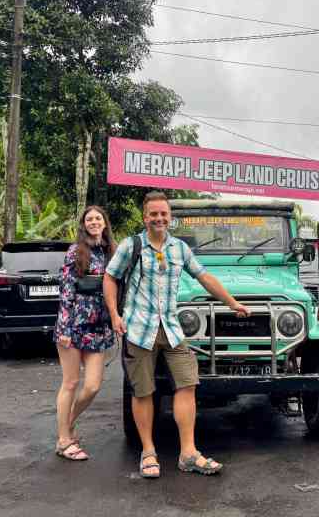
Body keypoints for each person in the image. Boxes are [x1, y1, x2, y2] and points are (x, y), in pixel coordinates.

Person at [104, 191, 250, 478]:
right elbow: (110, 277)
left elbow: (203, 276)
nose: (159, 218)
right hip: (138, 329)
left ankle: (188, 453)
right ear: (145, 217)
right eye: (153, 214)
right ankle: (148, 452)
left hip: (171, 329)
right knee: (143, 391)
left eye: (164, 214)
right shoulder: (131, 245)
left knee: (188, 383)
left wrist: (232, 303)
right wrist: (114, 315)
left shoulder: (179, 248)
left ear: (170, 217)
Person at [53, 205, 117, 461]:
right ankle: (64, 440)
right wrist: (66, 327)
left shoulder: (112, 251)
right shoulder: (75, 251)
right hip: (73, 325)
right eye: (89, 219)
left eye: (97, 218)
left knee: (92, 386)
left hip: (99, 327)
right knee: (70, 383)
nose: (93, 222)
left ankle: (66, 423)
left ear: (104, 223)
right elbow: (67, 290)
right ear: (84, 224)